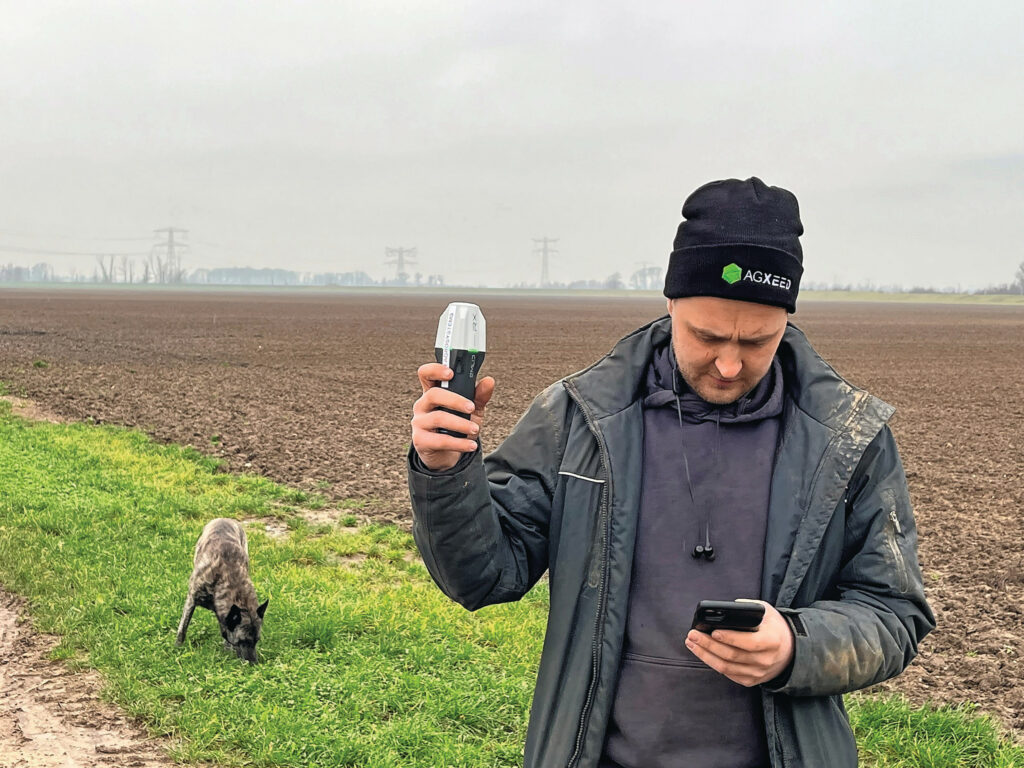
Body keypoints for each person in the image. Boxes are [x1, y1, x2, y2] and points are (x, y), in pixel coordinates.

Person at [407, 177, 934, 768]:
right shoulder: (581, 418)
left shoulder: (849, 437)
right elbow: (483, 577)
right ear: (671, 303)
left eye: (757, 340)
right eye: (707, 335)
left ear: (787, 318)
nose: (730, 363)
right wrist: (446, 471)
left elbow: (895, 613)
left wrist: (797, 647)